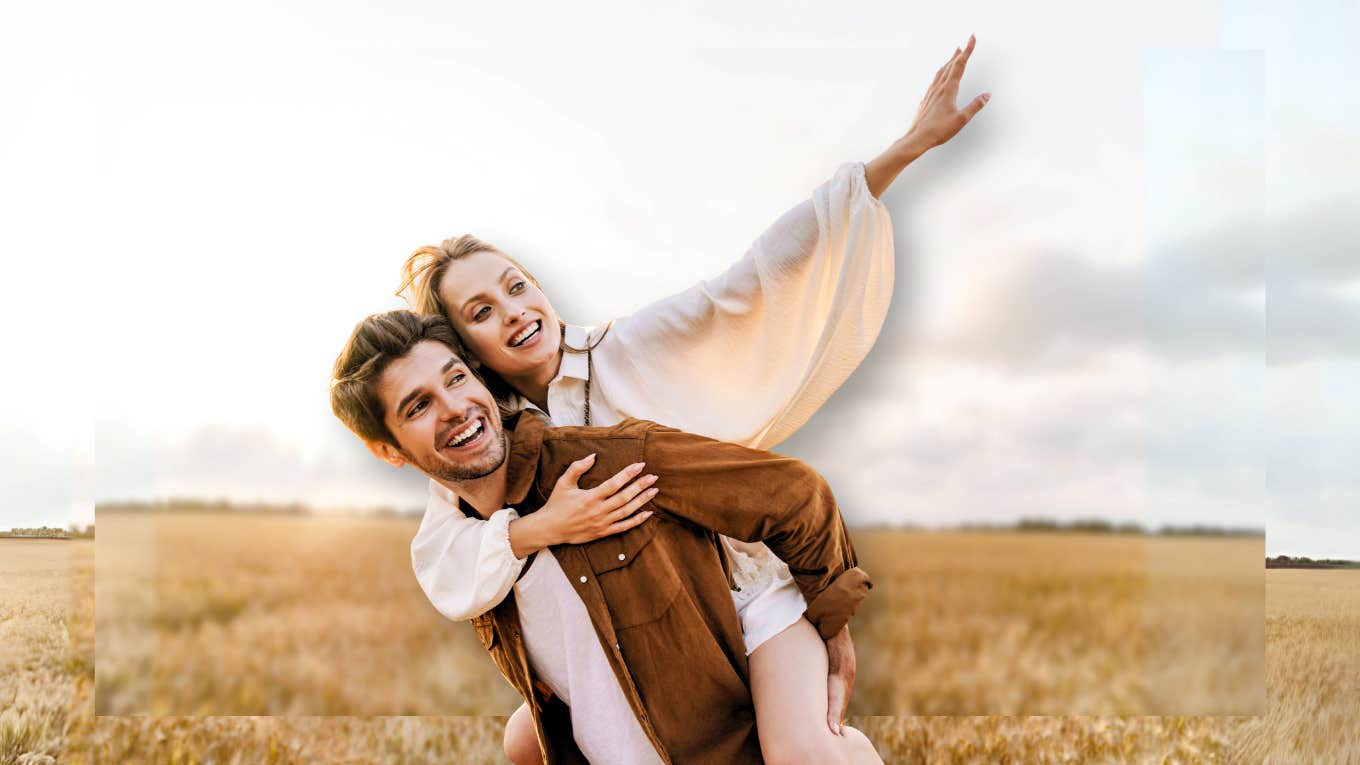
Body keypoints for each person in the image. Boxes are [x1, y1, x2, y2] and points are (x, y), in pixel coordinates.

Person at [398, 36, 989, 763]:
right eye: (481, 311)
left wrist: (900, 152)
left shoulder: (627, 347)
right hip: (640, 639)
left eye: (516, 284)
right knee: (527, 743)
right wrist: (535, 528)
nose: (515, 310)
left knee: (800, 750)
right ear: (463, 351)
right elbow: (445, 554)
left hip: (746, 604)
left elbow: (753, 278)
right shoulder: (489, 441)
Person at [329, 310, 882, 764]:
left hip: (721, 743)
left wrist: (832, 624)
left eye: (455, 378)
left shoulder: (608, 462)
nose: (454, 408)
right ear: (389, 451)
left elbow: (794, 493)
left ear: (479, 377)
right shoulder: (461, 550)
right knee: (521, 741)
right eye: (418, 405)